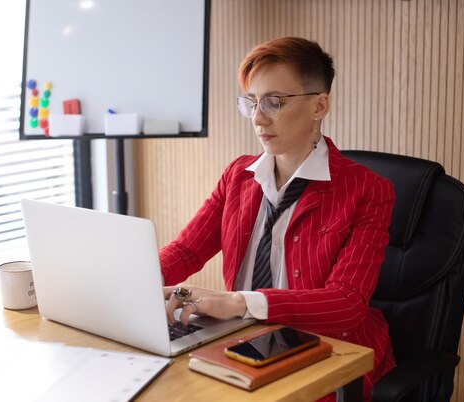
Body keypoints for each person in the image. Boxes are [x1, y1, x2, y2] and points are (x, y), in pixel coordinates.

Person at [160, 37, 396, 401]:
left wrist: (241, 302)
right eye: (251, 102)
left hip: (326, 352)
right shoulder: (238, 175)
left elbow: (346, 303)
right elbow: (186, 252)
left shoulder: (367, 190)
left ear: (319, 106)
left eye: (274, 102)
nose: (257, 118)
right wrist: (131, 285)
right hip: (243, 342)